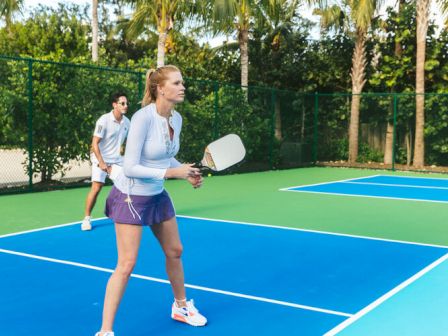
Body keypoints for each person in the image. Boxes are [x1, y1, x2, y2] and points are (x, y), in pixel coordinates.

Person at [95, 65, 206, 336]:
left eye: (183, 82)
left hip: (157, 195)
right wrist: (173, 173)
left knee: (175, 251)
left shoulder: (176, 119)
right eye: (177, 83)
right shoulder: (143, 118)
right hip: (131, 196)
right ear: (161, 89)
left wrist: (185, 172)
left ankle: (181, 306)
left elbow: (165, 155)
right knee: (127, 264)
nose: (183, 87)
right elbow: (130, 166)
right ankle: (105, 330)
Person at [81, 92, 131, 231]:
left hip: (116, 159)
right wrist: (101, 163)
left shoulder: (127, 122)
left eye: (127, 103)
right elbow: (94, 144)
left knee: (128, 185)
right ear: (114, 105)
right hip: (99, 156)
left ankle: (118, 212)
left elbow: (132, 142)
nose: (126, 106)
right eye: (122, 103)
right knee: (97, 187)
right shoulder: (103, 120)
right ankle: (86, 219)